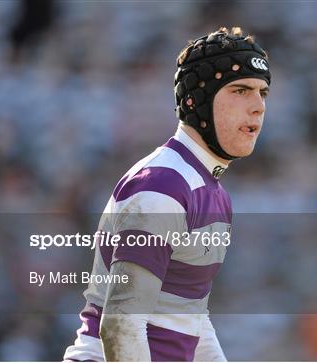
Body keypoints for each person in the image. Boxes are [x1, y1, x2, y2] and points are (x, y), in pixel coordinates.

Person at [63, 26, 271, 362]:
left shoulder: (213, 191)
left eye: (263, 93)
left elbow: (190, 319)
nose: (258, 106)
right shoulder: (163, 186)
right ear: (196, 100)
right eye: (240, 90)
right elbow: (120, 328)